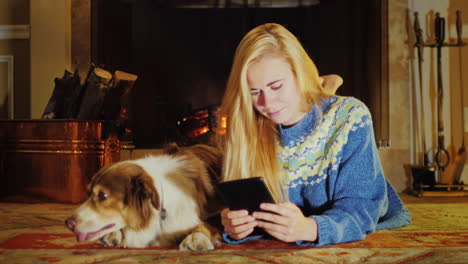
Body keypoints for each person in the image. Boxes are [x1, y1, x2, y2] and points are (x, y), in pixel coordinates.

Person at [217, 23, 411, 247]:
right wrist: (235, 225)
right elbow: (250, 214)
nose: (266, 103)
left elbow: (360, 208)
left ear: (299, 74)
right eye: (254, 92)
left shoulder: (350, 117)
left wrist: (310, 228)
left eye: (276, 86)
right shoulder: (247, 127)